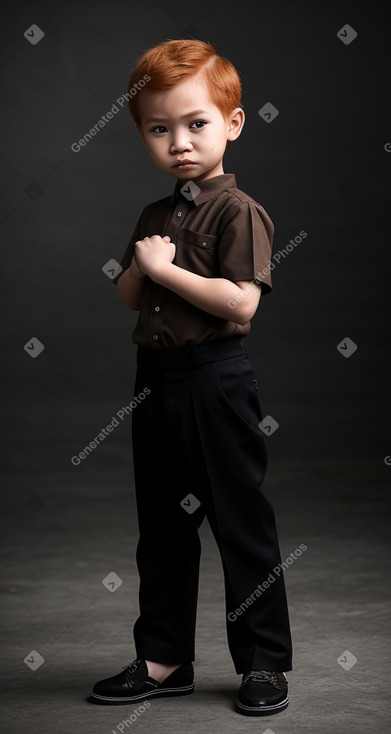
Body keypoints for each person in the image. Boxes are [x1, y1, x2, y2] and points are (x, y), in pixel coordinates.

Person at [91, 38, 293, 716]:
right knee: (162, 528)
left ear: (231, 124)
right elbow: (127, 297)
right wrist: (138, 265)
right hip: (156, 382)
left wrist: (163, 270)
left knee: (240, 524)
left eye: (196, 123)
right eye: (159, 128)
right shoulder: (154, 215)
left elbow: (240, 306)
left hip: (214, 381)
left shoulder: (239, 212)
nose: (178, 141)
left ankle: (263, 663)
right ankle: (165, 657)